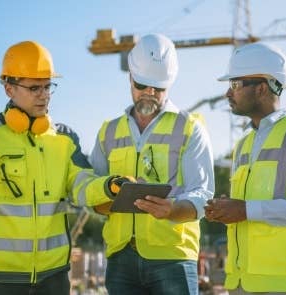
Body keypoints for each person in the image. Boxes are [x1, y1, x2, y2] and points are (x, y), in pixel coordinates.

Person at [0, 40, 115, 295]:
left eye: (48, 86)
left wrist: (110, 186)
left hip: (53, 279)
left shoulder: (64, 139)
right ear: (9, 88)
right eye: (34, 88)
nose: (44, 95)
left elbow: (83, 184)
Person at [89, 34, 215, 295]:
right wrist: (105, 196)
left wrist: (173, 209)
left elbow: (203, 194)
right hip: (121, 258)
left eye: (158, 88)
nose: (150, 93)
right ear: (130, 77)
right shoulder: (109, 132)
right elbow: (91, 189)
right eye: (142, 85)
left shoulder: (190, 128)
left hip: (172, 258)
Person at [204, 42, 286, 295]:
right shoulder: (244, 144)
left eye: (234, 85)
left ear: (262, 88)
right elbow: (248, 209)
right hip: (243, 283)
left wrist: (244, 210)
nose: (227, 94)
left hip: (284, 285)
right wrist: (225, 210)